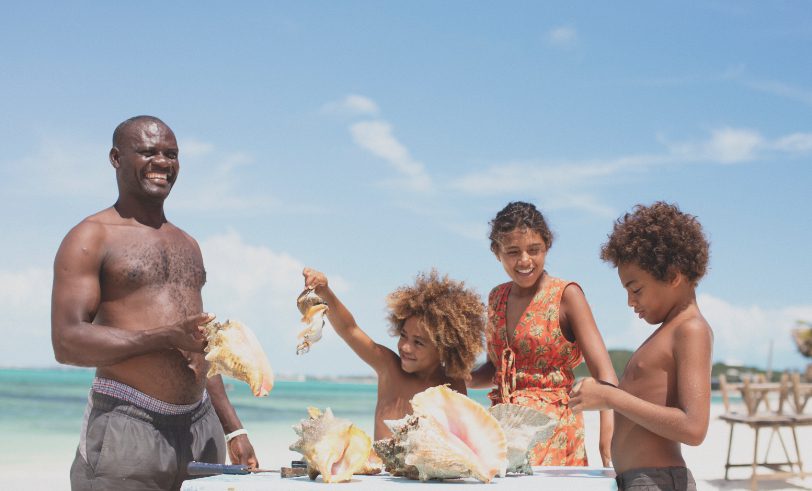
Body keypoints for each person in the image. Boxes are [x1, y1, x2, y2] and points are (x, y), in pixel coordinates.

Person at [51, 116, 258, 491]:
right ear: (116, 158)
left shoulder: (187, 244)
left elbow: (202, 344)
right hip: (128, 426)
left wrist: (233, 428)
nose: (162, 162)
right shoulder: (91, 236)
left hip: (201, 427)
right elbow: (67, 343)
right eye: (148, 152)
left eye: (171, 154)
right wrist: (164, 337)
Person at [568, 201, 713, 491]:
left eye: (636, 290)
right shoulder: (667, 331)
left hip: (657, 482)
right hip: (641, 480)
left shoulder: (691, 329)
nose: (631, 302)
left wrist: (611, 398)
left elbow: (694, 428)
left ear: (673, 276)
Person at [468, 201, 616, 467]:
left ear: (546, 246)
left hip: (553, 432)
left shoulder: (566, 295)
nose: (525, 260)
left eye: (534, 250)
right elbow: (497, 370)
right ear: (497, 253)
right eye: (513, 252)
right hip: (502, 431)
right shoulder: (496, 297)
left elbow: (606, 378)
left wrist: (607, 445)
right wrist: (455, 375)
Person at [302, 267, 485, 439]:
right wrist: (325, 292)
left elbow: (461, 439)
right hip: (380, 472)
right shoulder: (389, 367)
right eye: (403, 336)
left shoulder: (453, 384)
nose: (405, 347)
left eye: (418, 343)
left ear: (445, 348)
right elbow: (349, 329)